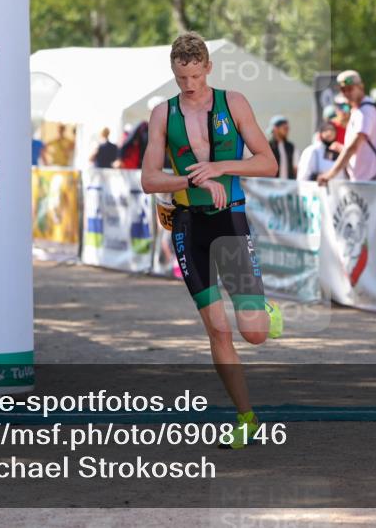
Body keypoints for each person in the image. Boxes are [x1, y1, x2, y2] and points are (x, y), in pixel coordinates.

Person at [140, 32, 282, 449]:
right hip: (188, 224)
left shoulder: (232, 103)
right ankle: (246, 418)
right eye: (182, 77)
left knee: (253, 333)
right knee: (217, 331)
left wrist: (217, 167)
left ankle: (264, 309)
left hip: (230, 220)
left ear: (208, 69)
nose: (189, 86)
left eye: (196, 77)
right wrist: (190, 178)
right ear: (173, 72)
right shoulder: (162, 115)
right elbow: (149, 179)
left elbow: (268, 163)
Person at [317, 70, 376, 184]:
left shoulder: (365, 111)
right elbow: (360, 147)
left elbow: (354, 146)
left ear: (361, 87)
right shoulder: (359, 110)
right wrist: (342, 148)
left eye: (350, 88)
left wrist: (330, 174)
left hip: (370, 181)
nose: (346, 93)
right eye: (343, 90)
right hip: (365, 180)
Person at [268, 115, 296, 179]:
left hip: (288, 186)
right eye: (284, 128)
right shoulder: (267, 146)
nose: (287, 131)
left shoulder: (291, 147)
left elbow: (295, 169)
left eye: (287, 129)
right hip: (270, 186)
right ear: (275, 129)